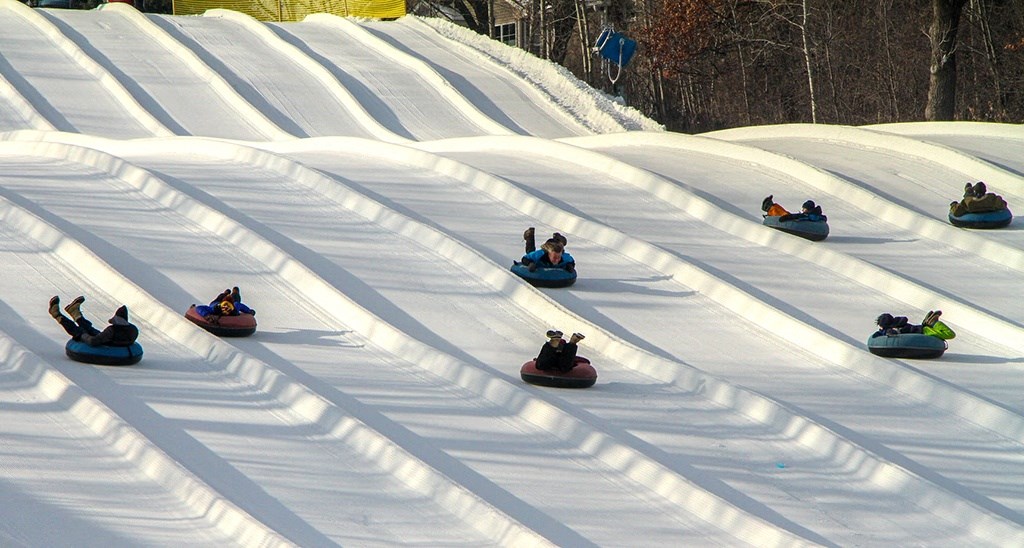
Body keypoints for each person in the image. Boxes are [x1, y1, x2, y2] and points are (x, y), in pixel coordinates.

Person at [48, 295, 139, 347]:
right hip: (108, 340)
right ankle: (75, 313)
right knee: (90, 329)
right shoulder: (133, 329)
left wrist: (83, 335)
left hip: (106, 343)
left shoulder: (112, 330)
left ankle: (56, 314)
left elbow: (93, 342)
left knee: (78, 331)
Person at [873, 310, 954, 339]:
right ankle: (927, 323)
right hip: (921, 329)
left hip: (924, 332)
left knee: (950, 334)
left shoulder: (890, 329)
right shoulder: (898, 323)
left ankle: (933, 323)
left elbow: (889, 333)